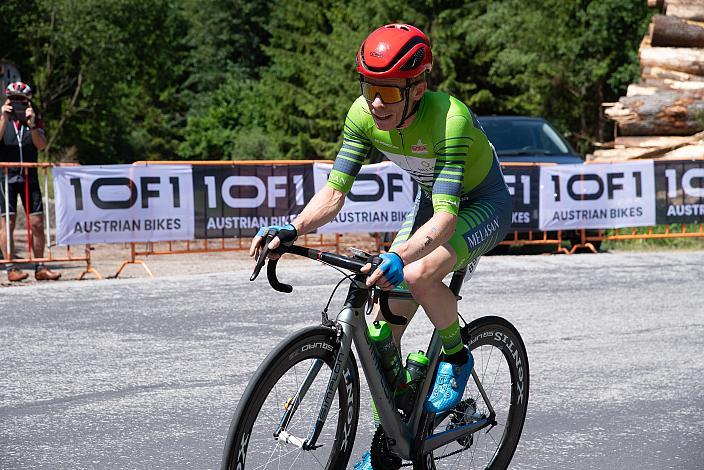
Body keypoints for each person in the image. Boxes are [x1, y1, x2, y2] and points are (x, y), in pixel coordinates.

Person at [249, 24, 511, 467]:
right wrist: (292, 229)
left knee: (417, 272)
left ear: (417, 88)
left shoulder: (450, 117)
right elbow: (334, 193)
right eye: (370, 88)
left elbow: (447, 218)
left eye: (388, 93)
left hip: (481, 204)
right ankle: (389, 444)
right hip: (434, 201)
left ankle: (456, 355)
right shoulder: (361, 115)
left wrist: (400, 255)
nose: (375, 102)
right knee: (378, 336)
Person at [0, 81, 60, 281]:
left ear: (28, 101)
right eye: (14, 100)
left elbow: (41, 145)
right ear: (7, 100)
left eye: (22, 100)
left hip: (29, 175)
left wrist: (33, 124)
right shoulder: (2, 117)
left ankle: (40, 267)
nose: (18, 104)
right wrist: (4, 118)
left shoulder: (34, 119)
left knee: (36, 222)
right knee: (7, 222)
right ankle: (10, 268)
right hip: (6, 176)